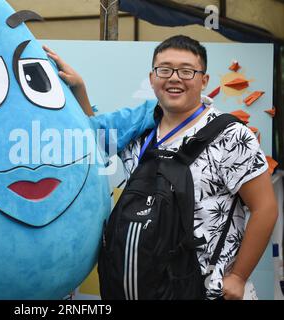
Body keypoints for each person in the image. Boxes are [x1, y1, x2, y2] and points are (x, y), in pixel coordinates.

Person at [44, 35, 278, 300]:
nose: (174, 78)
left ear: (204, 80)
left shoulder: (231, 135)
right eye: (164, 69)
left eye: (187, 71)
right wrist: (79, 89)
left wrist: (238, 277)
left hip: (207, 292)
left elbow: (265, 207)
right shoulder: (140, 132)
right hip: (143, 288)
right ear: (152, 77)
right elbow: (94, 139)